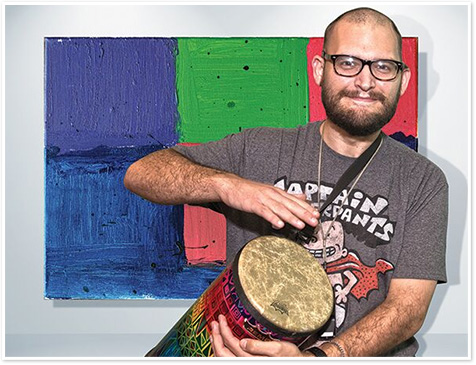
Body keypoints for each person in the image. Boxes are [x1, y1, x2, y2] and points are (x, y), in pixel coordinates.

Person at [124, 7, 448, 357]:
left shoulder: (423, 181)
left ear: (404, 80)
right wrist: (229, 185)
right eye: (348, 62)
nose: (366, 81)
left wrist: (318, 358)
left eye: (383, 66)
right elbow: (140, 173)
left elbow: (407, 310)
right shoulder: (257, 149)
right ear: (320, 70)